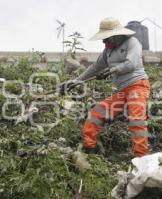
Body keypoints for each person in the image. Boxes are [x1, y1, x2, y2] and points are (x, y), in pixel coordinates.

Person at [63, 17, 151, 157]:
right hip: (122, 92)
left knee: (136, 120)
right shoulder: (107, 51)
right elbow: (95, 68)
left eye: (106, 38)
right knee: (95, 114)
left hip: (138, 86)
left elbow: (131, 64)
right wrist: (75, 81)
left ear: (116, 35)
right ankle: (89, 150)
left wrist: (112, 70)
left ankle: (141, 158)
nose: (104, 42)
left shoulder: (133, 42)